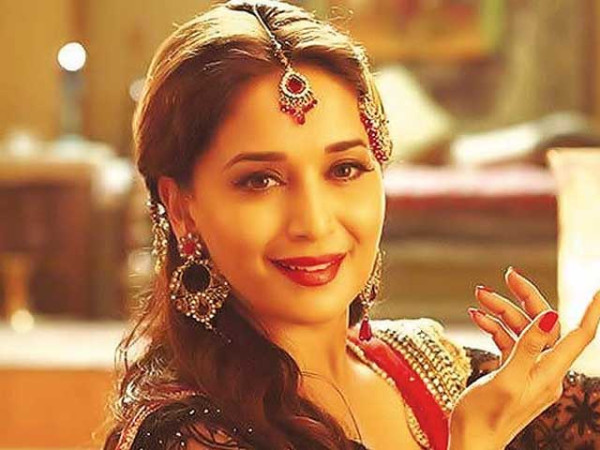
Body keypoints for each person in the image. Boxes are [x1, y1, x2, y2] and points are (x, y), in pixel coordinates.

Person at [102, 1, 600, 449]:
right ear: (182, 208)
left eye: (344, 169)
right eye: (260, 180)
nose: (314, 222)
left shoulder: (424, 367)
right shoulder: (187, 436)